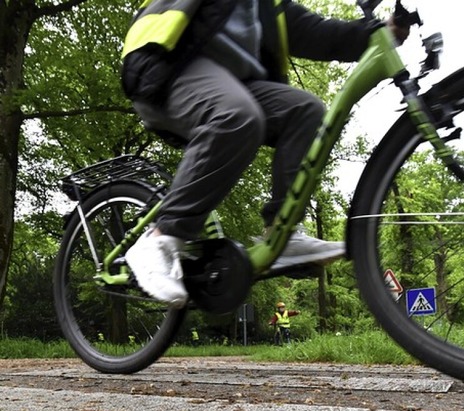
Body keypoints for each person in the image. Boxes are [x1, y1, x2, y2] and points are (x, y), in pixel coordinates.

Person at [120, 0, 411, 308]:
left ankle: (282, 235)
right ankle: (160, 238)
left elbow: (319, 34)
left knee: (305, 110)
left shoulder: (270, 6)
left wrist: (377, 31)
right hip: (169, 64)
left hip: (236, 86)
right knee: (237, 115)